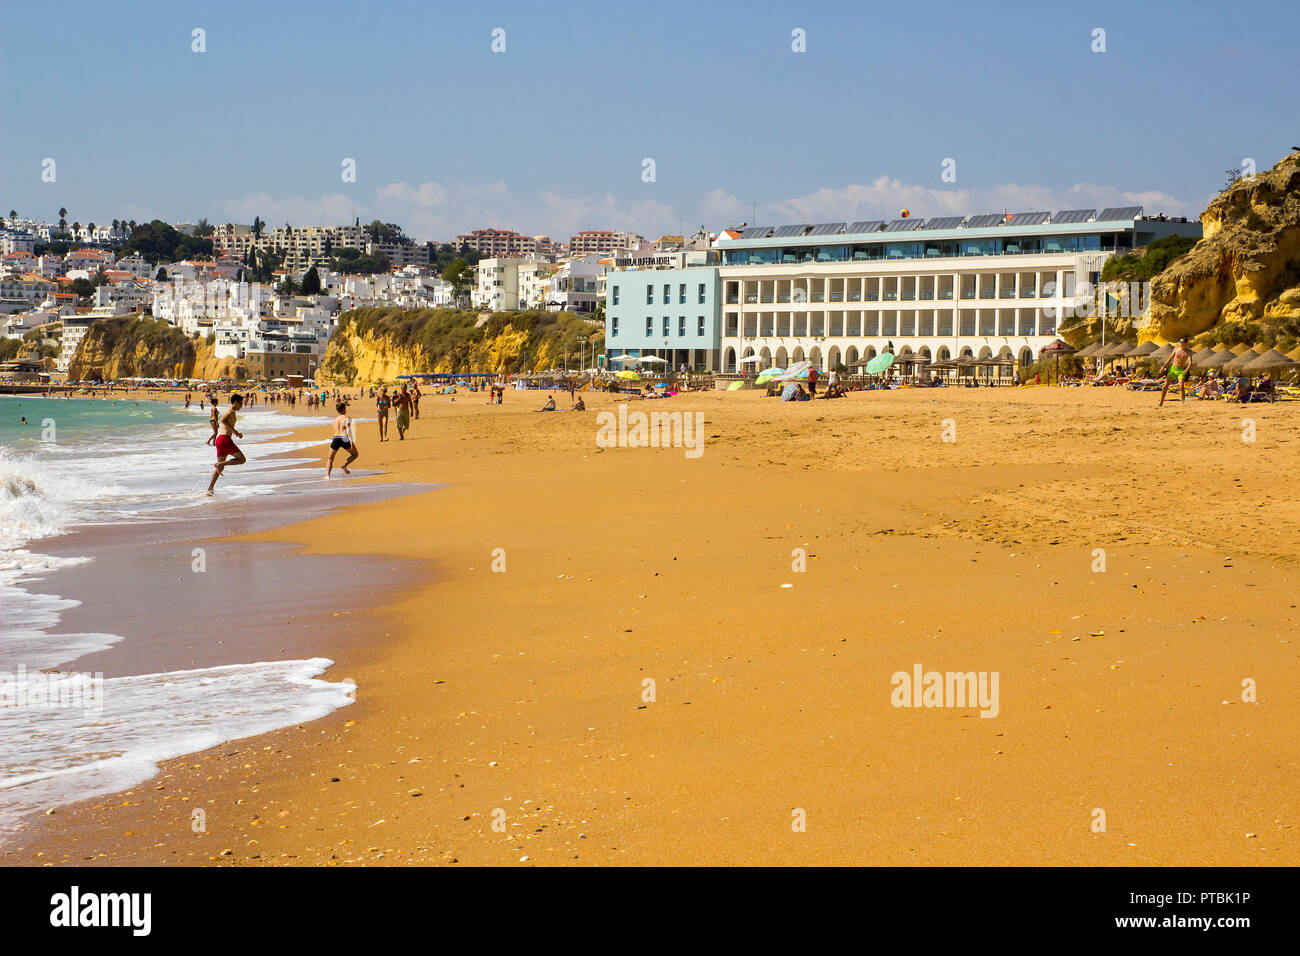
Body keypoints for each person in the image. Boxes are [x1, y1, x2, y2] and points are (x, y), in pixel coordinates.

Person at [206, 394, 246, 495]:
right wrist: (235, 432)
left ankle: (210, 489)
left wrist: (235, 432)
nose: (241, 405)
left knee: (220, 469)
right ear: (235, 402)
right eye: (240, 403)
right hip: (225, 440)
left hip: (220, 440)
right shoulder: (230, 411)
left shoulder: (233, 411)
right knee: (242, 459)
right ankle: (220, 464)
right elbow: (223, 420)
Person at [326, 401, 359, 477]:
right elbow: (349, 430)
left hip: (336, 438)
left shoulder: (335, 419)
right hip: (344, 438)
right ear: (344, 409)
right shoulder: (347, 418)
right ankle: (344, 465)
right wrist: (351, 442)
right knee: (355, 454)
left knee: (330, 458)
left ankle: (327, 475)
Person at [1158, 337, 1193, 406]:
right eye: (1180, 342)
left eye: (1182, 342)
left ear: (1186, 343)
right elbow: (1170, 358)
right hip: (1173, 368)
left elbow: (1190, 363)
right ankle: (1161, 402)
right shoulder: (1176, 349)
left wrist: (1186, 370)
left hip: (1181, 370)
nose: (1181, 343)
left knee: (1181, 386)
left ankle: (1183, 403)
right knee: (1165, 385)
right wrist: (1163, 366)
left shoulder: (1188, 352)